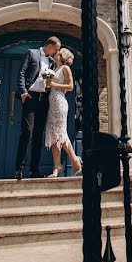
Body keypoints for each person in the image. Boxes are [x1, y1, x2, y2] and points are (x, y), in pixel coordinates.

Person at [15, 36, 61, 180]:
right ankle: (19, 169)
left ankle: (34, 170)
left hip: (43, 100)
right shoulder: (31, 53)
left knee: (38, 136)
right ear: (50, 45)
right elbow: (22, 73)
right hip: (30, 97)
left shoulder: (52, 62)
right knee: (27, 132)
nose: (57, 52)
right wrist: (23, 91)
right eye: (56, 49)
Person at [44, 48, 82, 178]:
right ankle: (57, 166)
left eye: (58, 52)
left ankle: (75, 161)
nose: (56, 54)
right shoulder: (54, 70)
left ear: (62, 55)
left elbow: (71, 87)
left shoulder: (65, 68)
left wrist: (53, 85)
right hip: (52, 104)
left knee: (60, 133)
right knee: (53, 134)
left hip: (60, 103)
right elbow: (52, 86)